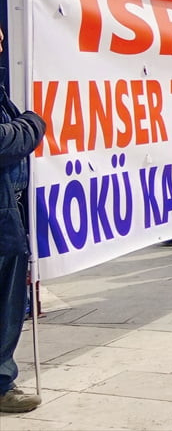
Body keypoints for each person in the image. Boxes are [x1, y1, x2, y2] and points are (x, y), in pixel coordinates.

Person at [0, 26, 47, 414]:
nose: (1, 43)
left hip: (7, 210)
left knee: (7, 303)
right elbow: (6, 140)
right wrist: (32, 124)